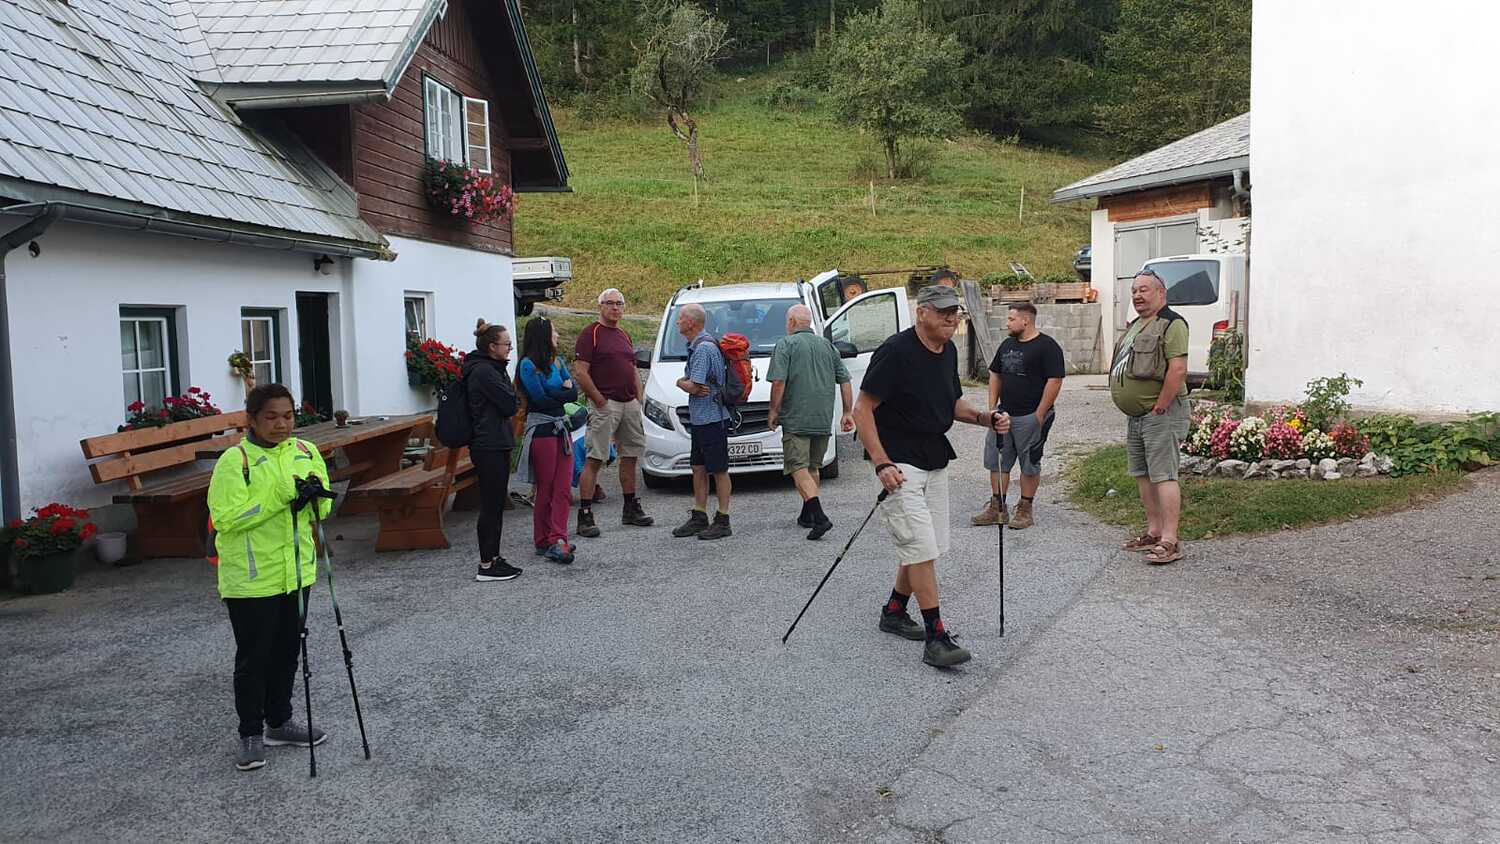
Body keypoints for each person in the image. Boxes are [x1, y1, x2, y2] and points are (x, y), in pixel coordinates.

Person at [853, 285, 1011, 668]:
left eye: (954, 311)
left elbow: (951, 402)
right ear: (921, 312)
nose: (951, 317)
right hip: (898, 462)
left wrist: (984, 418)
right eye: (942, 311)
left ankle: (894, 610)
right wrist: (881, 463)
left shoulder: (948, 351)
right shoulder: (895, 351)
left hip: (934, 457)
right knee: (921, 547)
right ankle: (936, 637)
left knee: (927, 546)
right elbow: (862, 409)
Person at [208, 383, 333, 772]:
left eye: (288, 416)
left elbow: (322, 511)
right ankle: (250, 732)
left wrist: (316, 497)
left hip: (296, 571)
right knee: (254, 658)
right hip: (251, 577)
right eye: (271, 417)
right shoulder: (235, 461)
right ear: (252, 420)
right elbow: (226, 519)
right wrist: (278, 496)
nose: (281, 424)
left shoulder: (305, 451)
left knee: (288, 651)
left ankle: (279, 721)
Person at [1110, 270, 1190, 565]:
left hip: (1161, 414)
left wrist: (1160, 406)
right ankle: (1154, 532)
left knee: (1164, 475)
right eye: (1134, 291)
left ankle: (1170, 540)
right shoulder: (1136, 325)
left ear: (1161, 292)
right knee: (1143, 474)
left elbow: (1178, 369)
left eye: (1144, 290)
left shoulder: (1172, 323)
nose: (1137, 295)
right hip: (1137, 416)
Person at [971, 302, 1065, 530]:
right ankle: (997, 508)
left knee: (1029, 463)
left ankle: (1025, 509)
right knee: (997, 461)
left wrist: (1039, 414)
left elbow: (1054, 381)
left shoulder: (1047, 347)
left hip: (1030, 416)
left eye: (1011, 319)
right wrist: (992, 410)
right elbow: (995, 374)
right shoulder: (1006, 345)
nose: (1007, 323)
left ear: (1026, 320)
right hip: (1004, 415)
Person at [766, 303, 854, 540]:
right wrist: (847, 412)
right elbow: (845, 380)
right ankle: (808, 515)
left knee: (798, 467)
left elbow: (779, 381)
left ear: (791, 322)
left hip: (796, 419)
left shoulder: (786, 344)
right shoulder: (827, 346)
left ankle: (820, 517)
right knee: (813, 467)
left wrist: (773, 410)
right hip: (822, 418)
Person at [573, 288, 653, 537]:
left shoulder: (624, 334)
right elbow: (581, 372)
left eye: (619, 303)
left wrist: (638, 398)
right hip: (605, 404)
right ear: (600, 306)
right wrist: (599, 400)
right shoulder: (590, 334)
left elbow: (632, 368)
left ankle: (630, 507)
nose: (615, 308)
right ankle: (585, 515)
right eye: (610, 303)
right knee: (595, 458)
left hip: (629, 403)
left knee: (630, 455)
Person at [462, 318, 522, 582]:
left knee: (496, 504)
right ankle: (486, 564)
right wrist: (511, 397)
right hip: (489, 444)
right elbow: (510, 404)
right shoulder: (484, 372)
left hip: (495, 441)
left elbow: (511, 401)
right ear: (492, 347)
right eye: (506, 344)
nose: (509, 349)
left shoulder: (492, 369)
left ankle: (494, 557)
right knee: (491, 505)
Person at [516, 318, 579, 565]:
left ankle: (559, 537)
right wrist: (561, 392)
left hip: (561, 427)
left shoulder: (558, 361)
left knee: (563, 488)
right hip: (542, 429)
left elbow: (573, 393)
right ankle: (543, 538)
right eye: (553, 332)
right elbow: (539, 399)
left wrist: (559, 392)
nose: (558, 335)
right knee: (546, 487)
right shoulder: (527, 365)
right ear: (543, 336)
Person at [670, 303, 734, 540]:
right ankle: (699, 515)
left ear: (691, 323)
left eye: (680, 318)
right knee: (698, 467)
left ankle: (723, 519)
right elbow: (695, 385)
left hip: (711, 418)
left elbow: (694, 385)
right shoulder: (697, 345)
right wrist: (689, 383)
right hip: (700, 419)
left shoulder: (703, 349)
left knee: (719, 469)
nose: (678, 322)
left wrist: (680, 382)